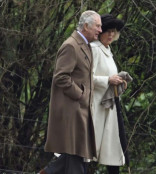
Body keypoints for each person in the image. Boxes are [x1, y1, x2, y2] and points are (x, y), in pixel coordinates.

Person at [39, 10, 102, 174]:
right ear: (86, 26)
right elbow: (60, 77)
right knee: (75, 156)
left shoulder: (85, 46)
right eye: (98, 26)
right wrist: (80, 94)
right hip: (72, 112)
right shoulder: (70, 46)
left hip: (80, 111)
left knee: (75, 156)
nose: (100, 30)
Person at [90, 14, 130, 174]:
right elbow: (86, 78)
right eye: (108, 31)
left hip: (110, 107)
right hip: (96, 108)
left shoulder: (107, 50)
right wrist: (108, 80)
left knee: (113, 149)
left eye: (114, 31)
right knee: (88, 152)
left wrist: (119, 80)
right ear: (100, 32)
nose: (111, 35)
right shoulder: (94, 49)